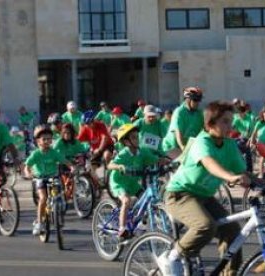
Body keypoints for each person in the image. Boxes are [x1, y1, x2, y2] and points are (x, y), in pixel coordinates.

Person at [158, 101, 250, 275]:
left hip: (205, 197)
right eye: (225, 121)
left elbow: (243, 172)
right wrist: (231, 177)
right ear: (210, 124)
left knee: (233, 231)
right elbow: (210, 164)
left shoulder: (229, 144)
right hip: (180, 194)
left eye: (231, 121)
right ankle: (172, 257)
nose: (230, 126)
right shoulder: (202, 141)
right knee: (206, 226)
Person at [107, 124, 161, 239]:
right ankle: (122, 229)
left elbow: (155, 160)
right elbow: (110, 165)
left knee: (147, 200)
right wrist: (120, 167)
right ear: (126, 142)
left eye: (137, 136)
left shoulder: (143, 151)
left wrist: (169, 162)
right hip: (119, 183)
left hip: (132, 184)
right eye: (134, 138)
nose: (137, 140)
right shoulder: (124, 153)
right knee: (126, 201)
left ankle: (140, 224)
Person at [24, 125, 74, 235]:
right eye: (44, 139)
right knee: (43, 198)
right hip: (40, 178)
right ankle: (39, 223)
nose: (47, 141)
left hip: (53, 177)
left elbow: (65, 161)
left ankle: (58, 212)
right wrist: (28, 173)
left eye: (49, 139)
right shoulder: (35, 154)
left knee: (59, 196)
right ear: (38, 141)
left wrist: (72, 167)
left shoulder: (54, 152)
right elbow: (27, 166)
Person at [162, 87, 204, 158]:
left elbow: (204, 130)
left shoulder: (199, 114)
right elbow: (178, 132)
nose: (198, 103)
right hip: (173, 147)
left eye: (199, 100)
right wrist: (182, 147)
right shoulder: (179, 112)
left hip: (189, 147)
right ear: (188, 100)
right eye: (195, 100)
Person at [77, 110, 114, 184]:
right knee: (91, 167)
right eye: (85, 124)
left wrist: (100, 149)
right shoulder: (85, 128)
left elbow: (104, 138)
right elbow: (78, 140)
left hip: (107, 145)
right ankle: (97, 184)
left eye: (89, 123)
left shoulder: (101, 125)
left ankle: (110, 175)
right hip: (95, 150)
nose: (87, 125)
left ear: (93, 121)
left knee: (106, 155)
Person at [249, 106, 265, 178]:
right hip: (261, 144)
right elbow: (253, 134)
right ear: (263, 115)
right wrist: (252, 143)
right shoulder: (259, 123)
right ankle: (261, 173)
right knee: (263, 155)